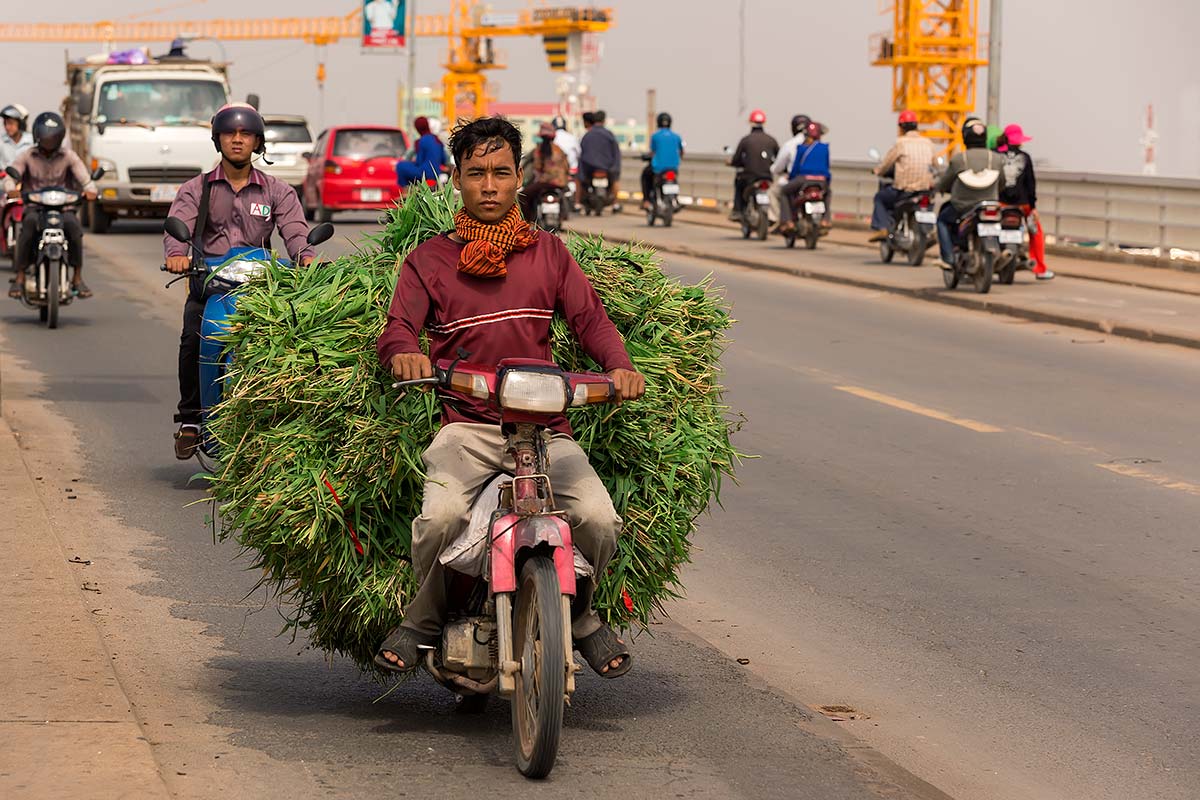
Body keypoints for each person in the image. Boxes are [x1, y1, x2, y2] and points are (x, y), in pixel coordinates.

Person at [374, 115, 645, 679]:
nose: (490, 186)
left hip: (546, 430)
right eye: (477, 174)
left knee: (598, 520)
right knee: (441, 518)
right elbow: (399, 328)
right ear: (458, 179)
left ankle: (582, 618)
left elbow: (590, 319)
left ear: (519, 176)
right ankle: (424, 620)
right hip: (469, 427)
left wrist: (618, 366)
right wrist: (405, 352)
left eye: (501, 172)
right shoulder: (429, 260)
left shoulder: (549, 253)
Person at [164, 104, 317, 459]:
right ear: (218, 140)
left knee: (292, 341)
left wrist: (305, 256)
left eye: (245, 134)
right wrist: (176, 255)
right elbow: (178, 227)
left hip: (260, 290)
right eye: (230, 134)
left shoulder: (277, 191)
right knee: (191, 338)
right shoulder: (196, 189)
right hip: (209, 282)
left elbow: (294, 230)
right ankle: (191, 420)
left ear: (257, 143)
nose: (237, 140)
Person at [4, 112, 96, 300]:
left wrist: (90, 190)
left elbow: (85, 180)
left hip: (64, 209)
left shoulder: (69, 156)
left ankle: (77, 277)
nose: (48, 141)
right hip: (36, 208)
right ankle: (20, 277)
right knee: (27, 229)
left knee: (75, 230)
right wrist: (11, 188)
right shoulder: (27, 155)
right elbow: (12, 177)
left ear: (60, 137)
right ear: (37, 136)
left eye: (52, 137)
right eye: (45, 136)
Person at [935, 116, 1004, 267]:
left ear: (965, 137)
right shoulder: (997, 159)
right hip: (990, 204)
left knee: (942, 220)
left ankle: (948, 257)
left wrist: (939, 188)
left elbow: (945, 182)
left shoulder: (960, 159)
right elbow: (1002, 183)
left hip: (962, 206)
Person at [869, 110, 936, 241]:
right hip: (924, 190)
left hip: (904, 190)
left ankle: (882, 227)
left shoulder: (900, 143)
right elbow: (935, 166)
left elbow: (886, 164)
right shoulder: (928, 143)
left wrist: (878, 171)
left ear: (901, 127)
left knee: (880, 198)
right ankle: (929, 231)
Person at [998, 123, 1053, 280]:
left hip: (999, 203)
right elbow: (1031, 184)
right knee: (1036, 232)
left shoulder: (995, 155)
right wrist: (1033, 207)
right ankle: (1039, 268)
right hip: (1022, 205)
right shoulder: (1025, 157)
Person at [778, 121, 831, 232]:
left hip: (803, 180)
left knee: (784, 191)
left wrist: (791, 178)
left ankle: (788, 221)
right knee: (827, 193)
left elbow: (796, 168)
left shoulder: (802, 148)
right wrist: (827, 182)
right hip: (821, 181)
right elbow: (827, 167)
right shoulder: (825, 148)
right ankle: (826, 219)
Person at [729, 109, 778, 221]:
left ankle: (738, 210)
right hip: (767, 176)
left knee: (738, 183)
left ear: (751, 123)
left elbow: (736, 159)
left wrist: (733, 163)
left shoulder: (746, 140)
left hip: (749, 177)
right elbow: (779, 159)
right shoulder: (771, 140)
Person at [520, 121, 571, 221]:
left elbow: (536, 167)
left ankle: (527, 221)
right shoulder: (559, 150)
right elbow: (567, 167)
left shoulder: (539, 150)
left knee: (523, 196)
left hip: (544, 182)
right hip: (561, 183)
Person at [579, 109, 622, 212]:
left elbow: (582, 154)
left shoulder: (587, 135)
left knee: (582, 181)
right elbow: (616, 153)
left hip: (590, 168)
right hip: (607, 168)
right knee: (615, 181)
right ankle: (615, 203)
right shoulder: (609, 134)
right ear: (604, 120)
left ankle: (578, 203)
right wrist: (615, 167)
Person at [640, 111, 684, 211]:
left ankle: (646, 201)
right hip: (673, 168)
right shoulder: (676, 137)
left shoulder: (655, 136)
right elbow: (681, 152)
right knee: (674, 181)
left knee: (645, 176)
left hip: (658, 169)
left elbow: (653, 152)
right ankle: (675, 199)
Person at [395, 116, 447, 188]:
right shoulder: (436, 139)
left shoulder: (421, 141)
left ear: (417, 129)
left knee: (400, 166)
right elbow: (444, 160)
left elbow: (419, 162)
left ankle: (405, 190)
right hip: (436, 173)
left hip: (425, 174)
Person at [0, 104, 33, 169]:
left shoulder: (32, 142)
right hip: (5, 178)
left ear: (21, 124)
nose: (7, 127)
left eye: (10, 123)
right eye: (5, 123)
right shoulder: (1, 142)